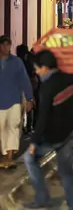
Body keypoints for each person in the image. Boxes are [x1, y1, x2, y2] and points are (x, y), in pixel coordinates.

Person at [23, 50, 73, 210]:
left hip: (55, 137)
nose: (36, 71)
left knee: (29, 158)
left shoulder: (47, 88)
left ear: (45, 68)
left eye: (37, 68)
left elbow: (42, 118)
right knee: (66, 174)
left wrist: (33, 142)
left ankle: (42, 198)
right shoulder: (70, 78)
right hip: (71, 132)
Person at [0, 35, 33, 168]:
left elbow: (24, 80)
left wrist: (30, 98)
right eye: (4, 45)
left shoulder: (17, 62)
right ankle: (4, 154)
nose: (7, 48)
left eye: (8, 45)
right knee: (2, 128)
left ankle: (9, 155)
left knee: (13, 127)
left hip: (14, 100)